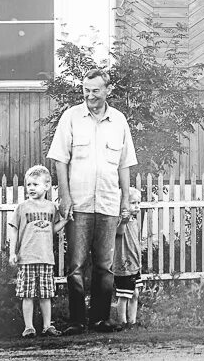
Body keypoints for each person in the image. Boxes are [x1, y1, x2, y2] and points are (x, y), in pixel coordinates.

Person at [48, 69, 138, 335]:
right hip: (80, 204)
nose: (90, 95)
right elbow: (59, 159)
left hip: (109, 204)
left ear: (107, 90)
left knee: (104, 266)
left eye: (95, 90)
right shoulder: (72, 117)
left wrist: (125, 201)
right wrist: (65, 197)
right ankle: (77, 321)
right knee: (75, 265)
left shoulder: (119, 120)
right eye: (86, 90)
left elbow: (124, 166)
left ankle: (100, 319)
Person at [8, 165, 64, 337]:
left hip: (46, 257)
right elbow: (14, 230)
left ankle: (47, 326)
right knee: (28, 295)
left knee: (46, 294)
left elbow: (53, 229)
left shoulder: (51, 208)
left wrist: (67, 220)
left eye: (35, 184)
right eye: (29, 184)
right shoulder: (22, 207)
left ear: (47, 186)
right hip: (27, 257)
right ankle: (29, 327)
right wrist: (13, 252)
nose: (31, 188)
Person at [110, 186, 144, 329]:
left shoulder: (134, 221)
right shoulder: (119, 221)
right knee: (124, 295)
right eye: (133, 203)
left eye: (138, 203)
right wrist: (123, 220)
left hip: (134, 262)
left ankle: (133, 321)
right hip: (123, 263)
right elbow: (119, 233)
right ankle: (122, 322)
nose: (136, 206)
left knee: (135, 293)